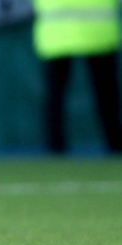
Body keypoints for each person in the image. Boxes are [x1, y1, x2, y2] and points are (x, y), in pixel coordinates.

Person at [33, 0, 122, 154]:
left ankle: (55, 148)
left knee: (56, 96)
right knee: (106, 95)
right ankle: (114, 144)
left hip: (59, 34)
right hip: (97, 32)